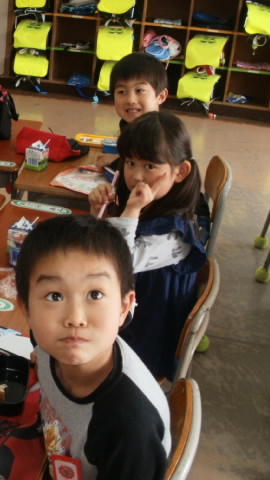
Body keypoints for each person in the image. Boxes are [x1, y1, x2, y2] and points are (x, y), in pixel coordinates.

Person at [15, 215, 170, 479]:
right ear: (26, 309)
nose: (75, 318)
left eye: (95, 294)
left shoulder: (128, 427)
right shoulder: (47, 343)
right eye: (55, 296)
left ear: (124, 307)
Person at [89, 111, 207, 380]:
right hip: (127, 312)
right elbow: (105, 248)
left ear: (180, 172)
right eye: (130, 163)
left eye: (150, 166)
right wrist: (100, 213)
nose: (136, 175)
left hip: (143, 340)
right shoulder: (153, 203)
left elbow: (116, 264)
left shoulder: (174, 234)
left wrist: (130, 211)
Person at [96, 52, 168, 168]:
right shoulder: (127, 124)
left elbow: (150, 169)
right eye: (122, 92)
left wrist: (118, 161)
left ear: (161, 96)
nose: (130, 100)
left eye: (140, 90)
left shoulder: (161, 135)